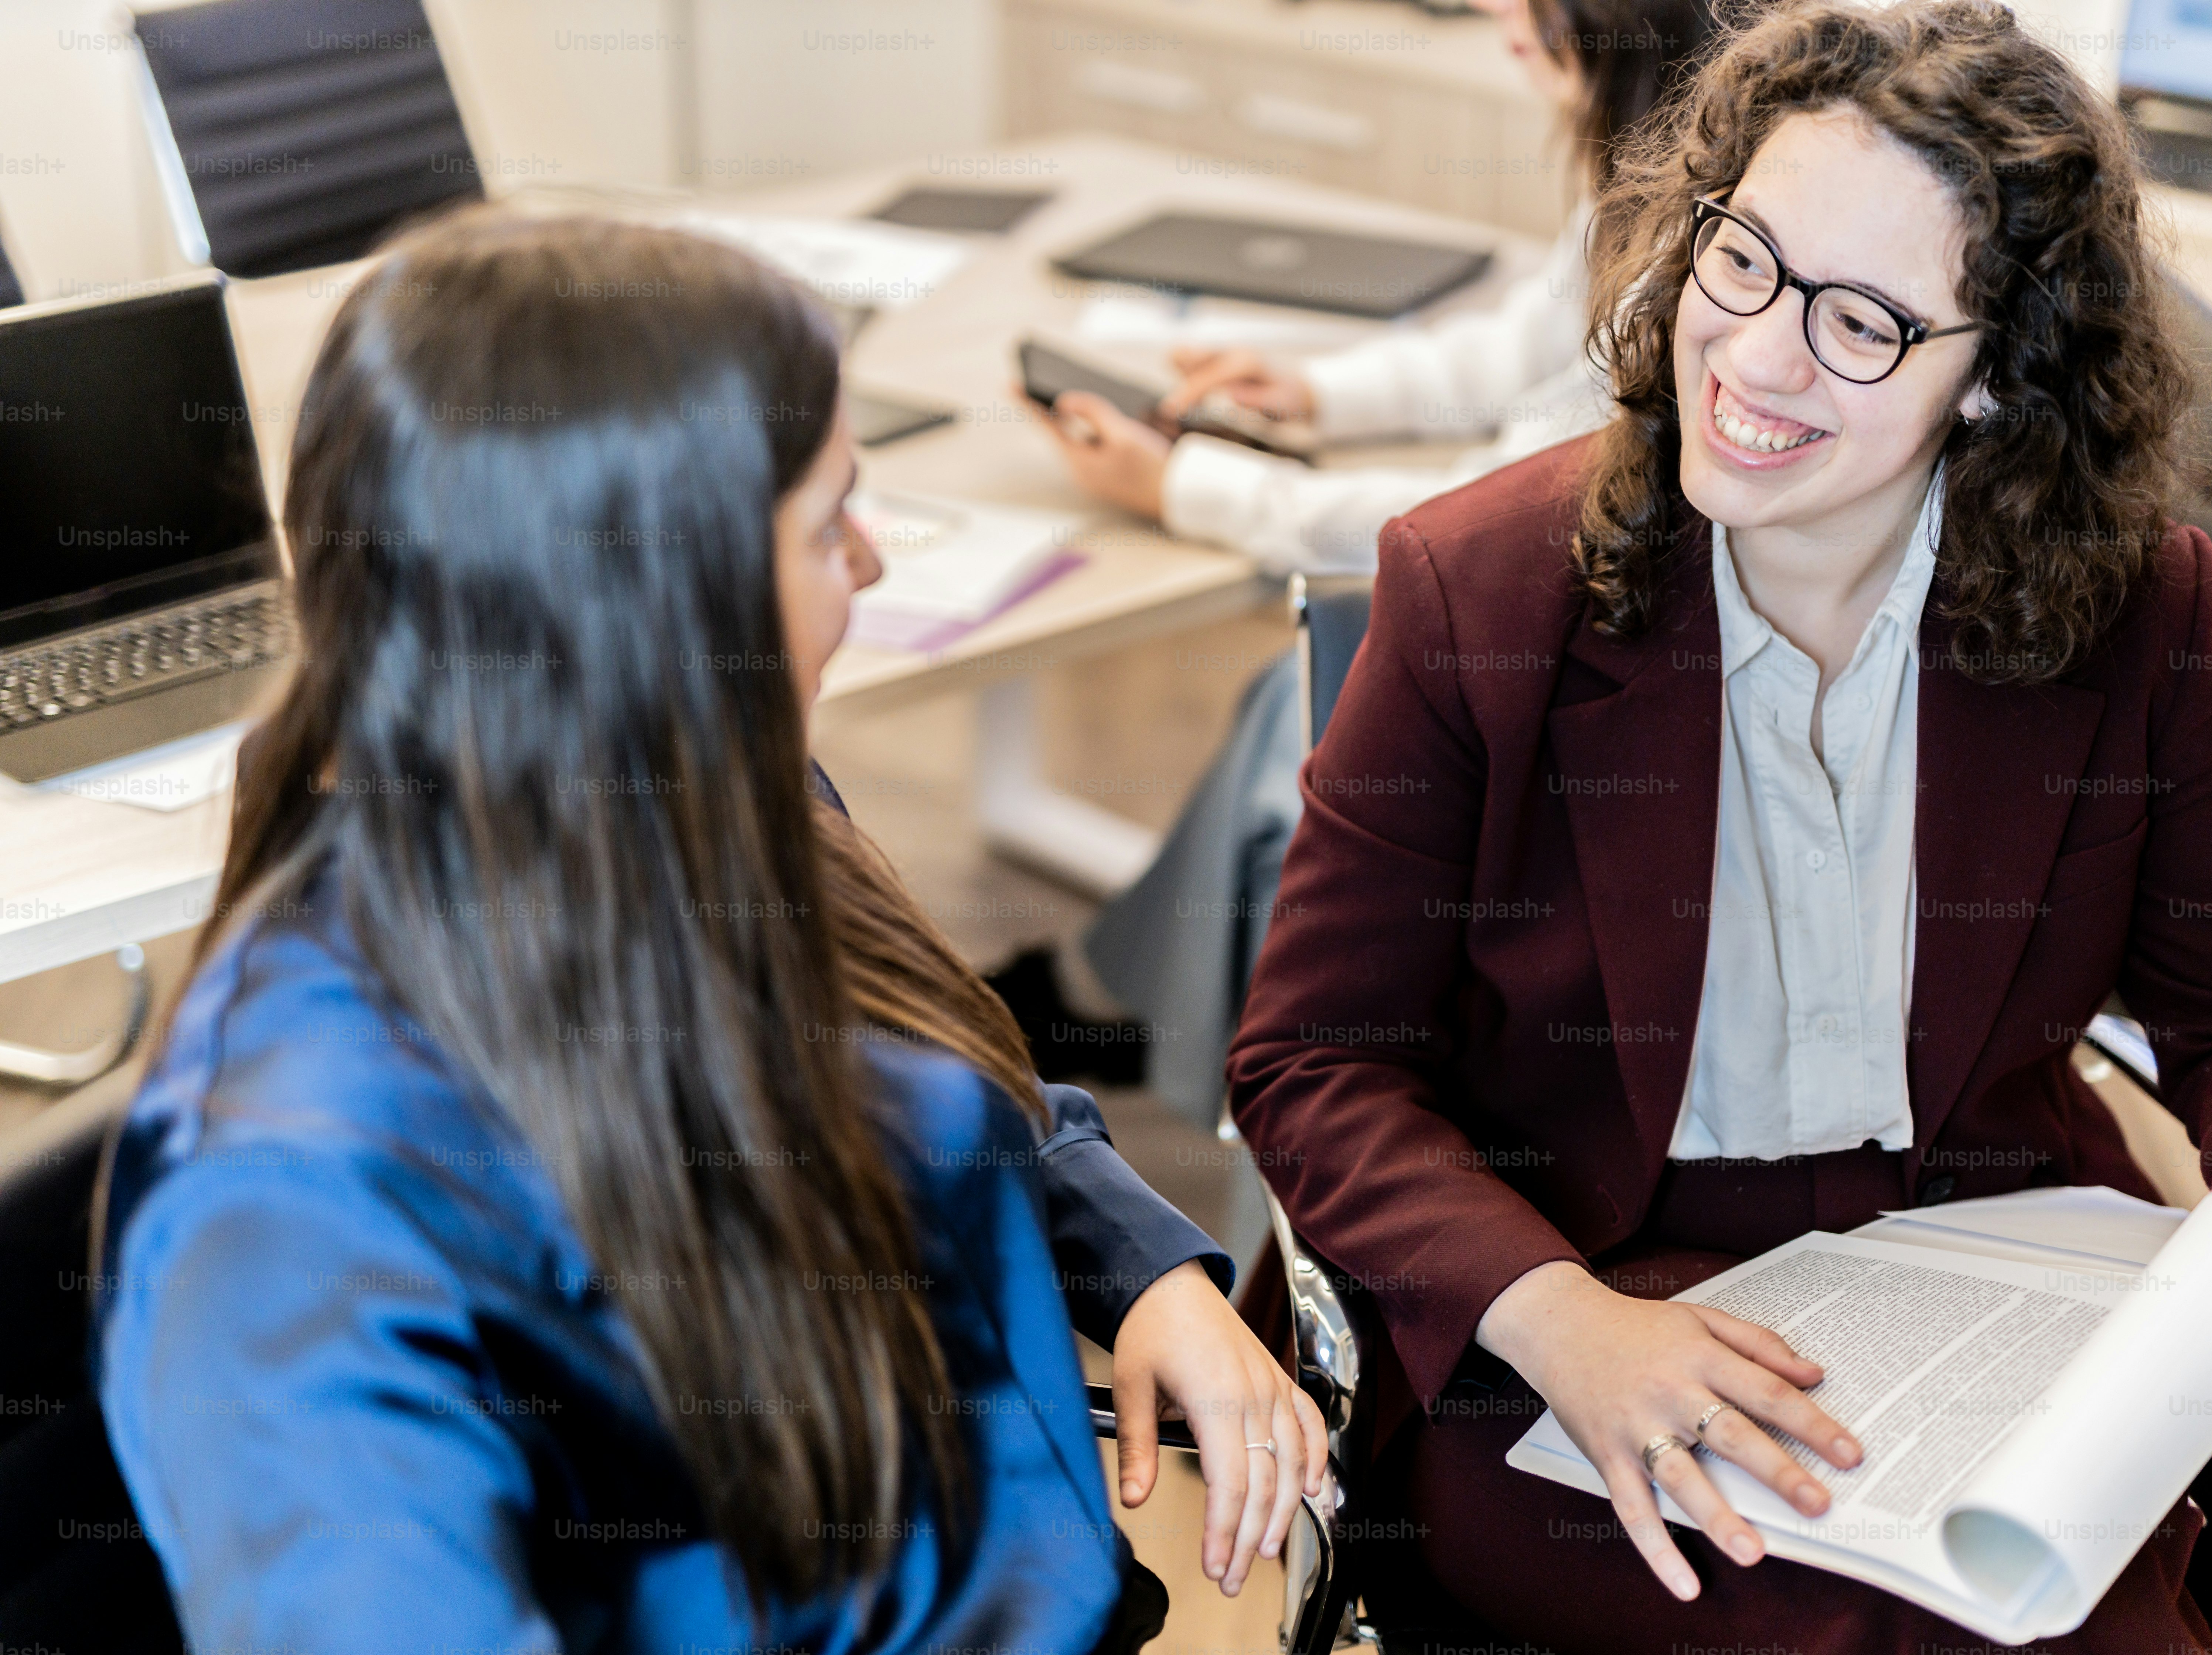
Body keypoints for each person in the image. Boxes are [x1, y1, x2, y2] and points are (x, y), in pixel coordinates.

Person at [1224, 2, 2212, 1650]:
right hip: (1586, 1283)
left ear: (1998, 379)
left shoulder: (2133, 606)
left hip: (1986, 1270)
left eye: (1866, 322)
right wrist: (1567, 1322)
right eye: (1744, 261)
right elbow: (1314, 1062)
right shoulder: (1480, 590)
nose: (1756, 356)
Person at [93, 208, 1325, 1655]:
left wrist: (1141, 1265)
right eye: (826, 524)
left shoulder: (706, 791)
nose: (868, 566)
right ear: (645, 604)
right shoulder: (297, 1205)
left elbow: (932, 1049)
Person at [1023, 0, 1723, 1122]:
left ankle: (1233, 1070)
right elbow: (1520, 352)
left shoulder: (1695, 253)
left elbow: (1482, 517)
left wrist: (1188, 488)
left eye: (1535, 10)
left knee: (1305, 721)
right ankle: (1131, 1006)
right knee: (1286, 697)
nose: (1504, 26)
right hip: (1570, 615)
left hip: (1607, 675)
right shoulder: (1650, 184)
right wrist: (1314, 393)